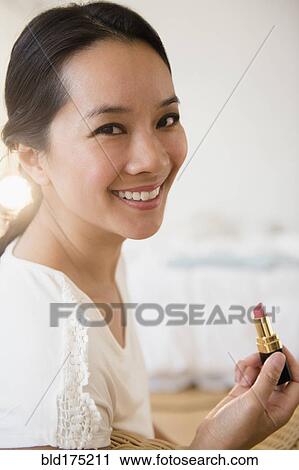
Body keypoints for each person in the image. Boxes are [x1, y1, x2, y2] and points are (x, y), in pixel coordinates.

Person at [0, 1, 298, 450]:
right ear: (31, 158)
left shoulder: (93, 254)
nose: (154, 159)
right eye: (110, 129)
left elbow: (127, 426)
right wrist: (211, 451)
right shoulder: (50, 353)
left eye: (166, 120)